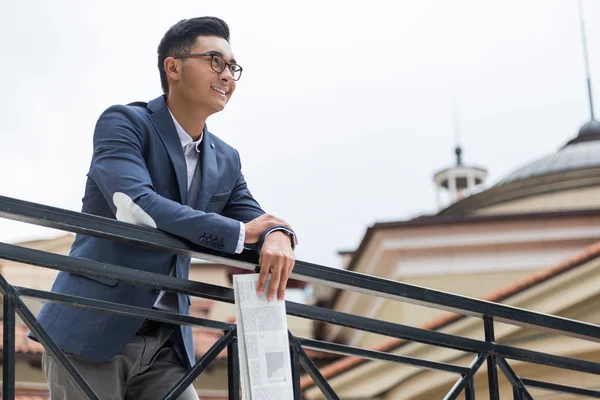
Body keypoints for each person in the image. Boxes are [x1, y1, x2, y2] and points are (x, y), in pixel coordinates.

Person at [31, 16, 297, 400]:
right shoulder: (125, 122)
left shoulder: (226, 159)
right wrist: (241, 234)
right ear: (173, 67)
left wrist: (278, 235)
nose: (227, 76)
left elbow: (254, 220)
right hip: (91, 328)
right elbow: (136, 207)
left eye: (233, 67)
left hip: (168, 344)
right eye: (215, 61)